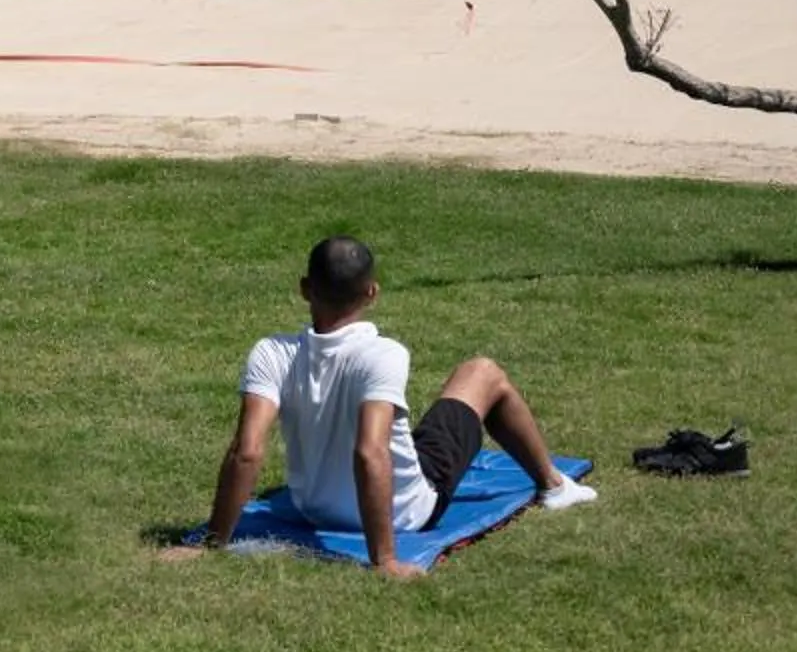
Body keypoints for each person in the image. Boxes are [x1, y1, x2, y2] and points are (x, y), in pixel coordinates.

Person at [184, 236, 594, 580]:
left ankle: (554, 485)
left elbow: (248, 451)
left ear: (305, 288)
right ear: (372, 292)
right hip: (405, 514)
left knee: (411, 430)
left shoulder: (271, 352)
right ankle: (554, 486)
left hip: (310, 508)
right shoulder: (383, 354)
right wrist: (385, 560)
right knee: (482, 372)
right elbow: (370, 451)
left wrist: (212, 543)